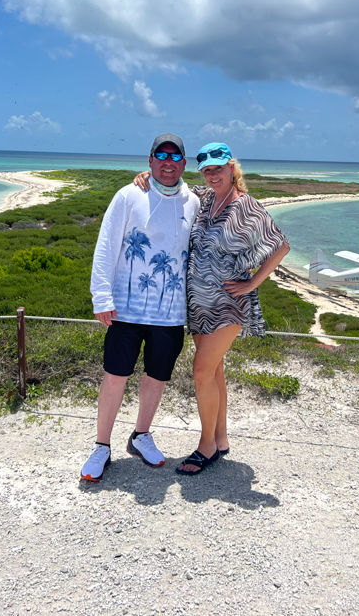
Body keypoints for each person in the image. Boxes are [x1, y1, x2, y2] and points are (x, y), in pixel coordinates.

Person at [136, 142, 289, 475]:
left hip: (229, 304)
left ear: (231, 168)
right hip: (198, 304)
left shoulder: (246, 206)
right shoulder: (204, 200)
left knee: (202, 371)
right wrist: (147, 176)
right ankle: (220, 439)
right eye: (207, 170)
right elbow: (171, 188)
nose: (212, 175)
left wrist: (252, 283)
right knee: (215, 371)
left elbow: (281, 246)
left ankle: (205, 445)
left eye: (218, 168)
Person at [81, 133, 202, 482]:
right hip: (125, 311)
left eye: (175, 157)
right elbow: (106, 246)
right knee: (115, 377)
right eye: (160, 156)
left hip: (170, 314)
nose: (168, 162)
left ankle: (141, 435)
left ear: (183, 163)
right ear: (149, 162)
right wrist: (101, 298)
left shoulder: (193, 200)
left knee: (156, 377)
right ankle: (102, 446)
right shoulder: (129, 194)